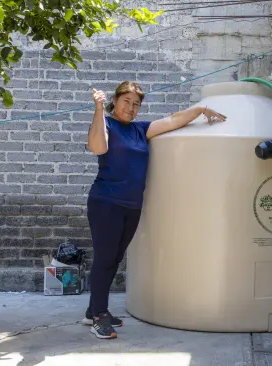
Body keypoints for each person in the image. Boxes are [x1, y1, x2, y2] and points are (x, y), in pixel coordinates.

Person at [82, 81, 226, 339]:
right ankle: (99, 316)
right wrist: (98, 108)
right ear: (115, 100)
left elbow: (172, 121)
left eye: (136, 104)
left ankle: (93, 308)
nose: (131, 107)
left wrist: (200, 109)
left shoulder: (141, 130)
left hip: (132, 205)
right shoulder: (107, 124)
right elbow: (97, 147)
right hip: (105, 203)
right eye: (126, 101)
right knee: (105, 259)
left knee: (115, 259)